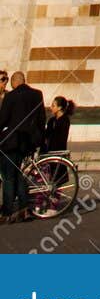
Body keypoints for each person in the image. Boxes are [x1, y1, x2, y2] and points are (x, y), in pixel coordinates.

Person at [0, 71, 46, 223]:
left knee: (8, 177)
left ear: (13, 82)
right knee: (20, 176)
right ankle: (24, 210)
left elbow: (3, 119)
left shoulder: (11, 96)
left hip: (11, 143)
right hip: (28, 143)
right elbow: (41, 119)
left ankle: (7, 213)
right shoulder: (37, 94)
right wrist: (39, 140)